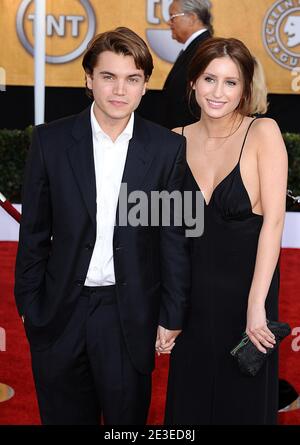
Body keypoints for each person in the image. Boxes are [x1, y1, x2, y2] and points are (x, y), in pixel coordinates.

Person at [14, 27, 191, 425]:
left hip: (128, 316)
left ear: (145, 86)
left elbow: (172, 237)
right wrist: (30, 305)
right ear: (88, 79)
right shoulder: (50, 142)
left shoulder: (167, 150)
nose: (119, 90)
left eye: (132, 79)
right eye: (108, 76)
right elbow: (34, 235)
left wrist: (172, 313)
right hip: (60, 312)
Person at [161, 37, 288, 424]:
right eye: (209, 79)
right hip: (192, 307)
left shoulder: (262, 132)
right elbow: (166, 235)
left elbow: (274, 223)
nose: (218, 92)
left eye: (231, 82)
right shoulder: (173, 140)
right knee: (190, 409)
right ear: (193, 83)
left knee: (242, 409)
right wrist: (168, 312)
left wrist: (256, 308)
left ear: (245, 88)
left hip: (247, 304)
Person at [138, 0, 212, 129]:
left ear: (192, 18)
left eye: (172, 16)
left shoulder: (204, 50)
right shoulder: (197, 47)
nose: (168, 22)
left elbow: (188, 102)